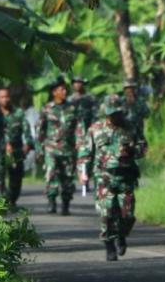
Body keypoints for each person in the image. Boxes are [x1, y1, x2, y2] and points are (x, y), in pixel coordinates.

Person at [78, 97, 141, 261]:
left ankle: (121, 235)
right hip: (103, 178)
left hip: (125, 177)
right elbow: (85, 153)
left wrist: (133, 150)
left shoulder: (130, 128)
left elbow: (143, 146)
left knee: (127, 214)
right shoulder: (95, 129)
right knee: (107, 214)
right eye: (111, 113)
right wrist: (83, 173)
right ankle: (108, 244)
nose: (115, 117)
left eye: (117, 113)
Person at [38, 77, 79, 215]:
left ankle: (66, 203)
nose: (64, 91)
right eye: (61, 89)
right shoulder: (47, 109)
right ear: (54, 92)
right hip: (51, 148)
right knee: (51, 173)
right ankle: (51, 201)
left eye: (65, 89)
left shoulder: (72, 108)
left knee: (67, 177)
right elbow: (40, 130)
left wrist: (80, 143)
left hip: (68, 149)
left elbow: (79, 128)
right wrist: (39, 149)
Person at [0, 87, 34, 208]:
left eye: (7, 96)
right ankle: (0, 202)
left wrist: (28, 145)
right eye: (2, 97)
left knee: (16, 181)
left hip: (16, 151)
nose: (5, 99)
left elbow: (27, 130)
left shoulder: (18, 113)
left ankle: (11, 200)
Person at [121, 80, 150, 158]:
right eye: (127, 88)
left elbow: (147, 114)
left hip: (138, 129)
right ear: (124, 90)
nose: (130, 90)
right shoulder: (121, 101)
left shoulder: (140, 101)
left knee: (141, 148)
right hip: (125, 131)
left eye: (131, 88)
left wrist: (137, 107)